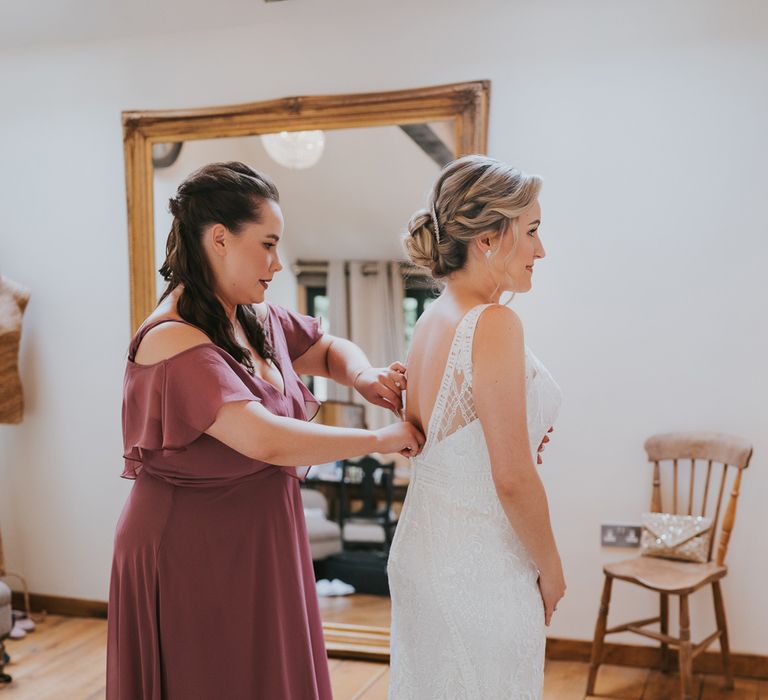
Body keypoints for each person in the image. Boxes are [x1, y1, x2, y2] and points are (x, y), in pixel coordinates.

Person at [106, 161, 424, 699]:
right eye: (269, 245)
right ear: (221, 239)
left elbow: (324, 347)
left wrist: (363, 374)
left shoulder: (250, 315)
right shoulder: (171, 338)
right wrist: (380, 439)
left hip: (256, 535)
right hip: (190, 547)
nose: (277, 263)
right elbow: (267, 438)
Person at [388, 155, 565, 699]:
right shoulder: (494, 324)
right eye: (532, 231)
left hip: (424, 552)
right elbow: (511, 476)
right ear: (488, 239)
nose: (542, 250)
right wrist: (551, 570)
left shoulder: (432, 318)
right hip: (478, 568)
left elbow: (428, 443)